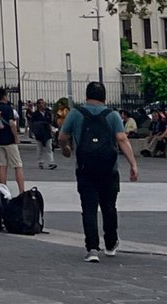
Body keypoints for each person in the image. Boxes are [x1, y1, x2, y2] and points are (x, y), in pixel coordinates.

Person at [58, 80, 140, 263]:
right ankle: (110, 243)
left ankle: (92, 248)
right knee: (109, 207)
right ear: (104, 97)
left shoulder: (76, 114)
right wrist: (133, 164)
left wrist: (66, 149)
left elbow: (62, 136)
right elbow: (122, 139)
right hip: (109, 169)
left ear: (86, 96)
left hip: (85, 168)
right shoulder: (112, 115)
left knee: (89, 208)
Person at [0, 87, 26, 192]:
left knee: (2, 166)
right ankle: (21, 190)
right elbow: (11, 123)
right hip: (9, 140)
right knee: (18, 166)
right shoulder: (8, 108)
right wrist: (16, 137)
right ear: (4, 96)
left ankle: (3, 190)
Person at [29, 99, 57, 169]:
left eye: (44, 103)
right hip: (39, 133)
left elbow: (50, 122)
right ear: (38, 105)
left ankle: (51, 162)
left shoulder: (48, 113)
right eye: (42, 103)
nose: (44, 104)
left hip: (47, 132)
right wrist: (33, 132)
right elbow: (32, 124)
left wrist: (52, 131)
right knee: (39, 148)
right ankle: (40, 162)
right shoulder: (35, 114)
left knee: (49, 148)